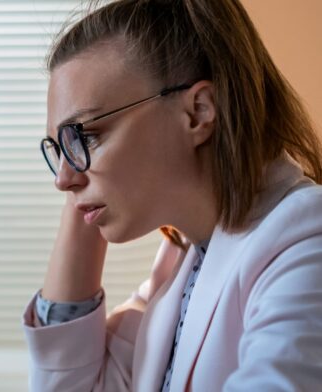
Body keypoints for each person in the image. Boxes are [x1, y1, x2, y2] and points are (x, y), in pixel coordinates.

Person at [22, 0, 322, 391]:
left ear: (198, 112)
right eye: (58, 149)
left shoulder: (305, 242)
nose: (62, 180)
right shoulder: (180, 265)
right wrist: (81, 164)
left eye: (86, 135)